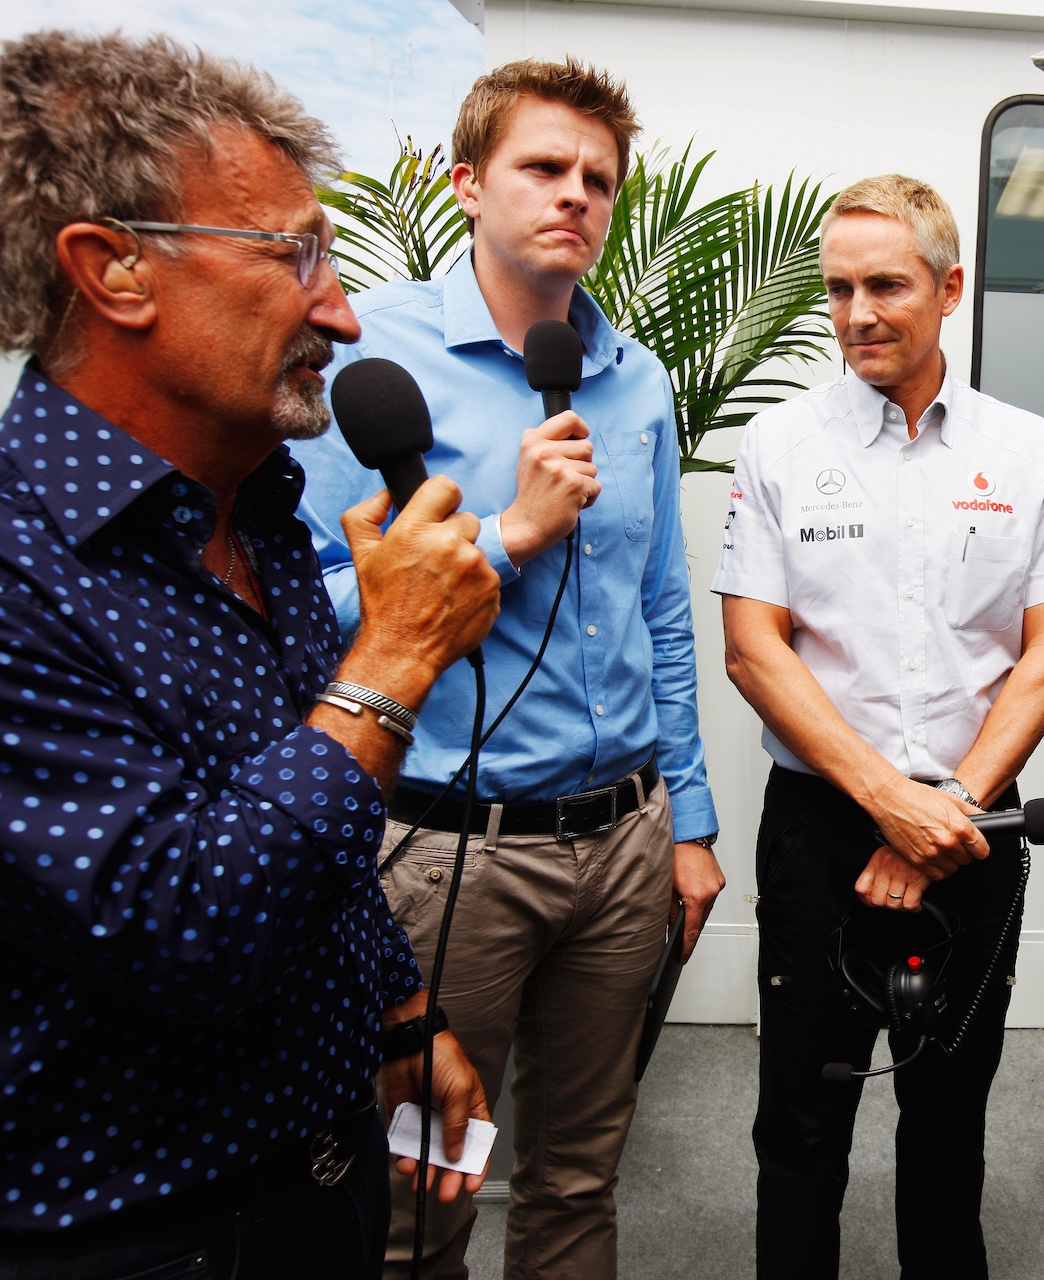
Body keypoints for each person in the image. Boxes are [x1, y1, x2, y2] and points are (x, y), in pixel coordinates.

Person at [0, 30, 501, 1279]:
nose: (338, 309)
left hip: (315, 1178)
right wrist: (391, 657)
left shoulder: (257, 511)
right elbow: (188, 924)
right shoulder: (17, 564)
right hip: (136, 1234)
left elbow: (298, 814)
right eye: (298, 255)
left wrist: (397, 1005)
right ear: (115, 270)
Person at [293, 58, 722, 1280]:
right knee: (427, 1186)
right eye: (543, 167)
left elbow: (661, 612)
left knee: (579, 1178)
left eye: (598, 178)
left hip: (624, 847)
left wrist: (687, 820)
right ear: (469, 182)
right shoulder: (371, 358)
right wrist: (507, 532)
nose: (574, 195)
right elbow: (302, 611)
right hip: (444, 863)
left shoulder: (635, 378)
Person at [714, 174, 1044, 1279]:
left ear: (950, 288)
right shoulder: (781, 445)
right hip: (827, 831)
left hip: (978, 828)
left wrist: (949, 807)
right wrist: (890, 803)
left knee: (947, 1119)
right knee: (802, 1123)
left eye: (886, 284)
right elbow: (755, 650)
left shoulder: (1022, 445)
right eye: (838, 289)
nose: (858, 313)